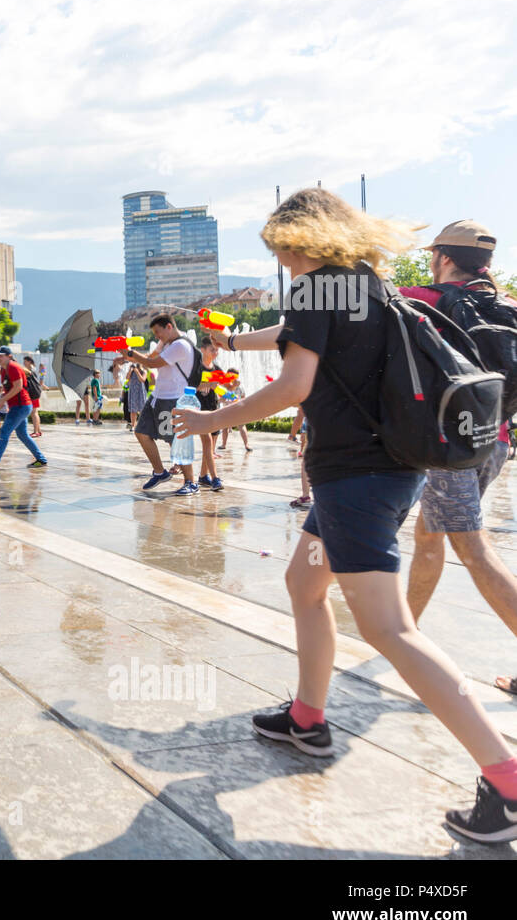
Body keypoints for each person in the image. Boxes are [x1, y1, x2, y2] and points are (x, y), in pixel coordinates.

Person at [173, 187, 517, 843]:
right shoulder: (366, 285)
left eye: (281, 245)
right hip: (380, 471)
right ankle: (308, 718)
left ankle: (507, 779)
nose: (280, 257)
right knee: (304, 585)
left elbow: (294, 386)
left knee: (389, 629)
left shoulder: (316, 289)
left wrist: (211, 418)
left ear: (302, 238)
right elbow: (293, 338)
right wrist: (234, 338)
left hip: (355, 480)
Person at [400, 220, 517, 697]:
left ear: (444, 258)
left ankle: (400, 633)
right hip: (499, 437)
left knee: (472, 547)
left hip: (452, 447)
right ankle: (403, 631)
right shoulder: (509, 303)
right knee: (429, 534)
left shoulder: (423, 297)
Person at [123, 315, 198, 494]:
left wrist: (132, 354)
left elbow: (152, 363)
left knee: (175, 440)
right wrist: (126, 357)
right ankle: (159, 472)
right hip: (156, 397)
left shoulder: (180, 345)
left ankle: (191, 482)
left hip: (172, 399)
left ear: (169, 327)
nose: (157, 336)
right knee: (141, 432)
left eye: (158, 332)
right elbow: (150, 357)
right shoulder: (165, 344)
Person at [0, 347, 48, 471]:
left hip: (21, 406)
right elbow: (9, 387)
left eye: (1, 356)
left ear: (9, 356)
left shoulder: (13, 367)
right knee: (22, 434)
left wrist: (3, 399)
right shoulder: (4, 369)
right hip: (18, 406)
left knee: (4, 432)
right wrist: (2, 399)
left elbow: (18, 387)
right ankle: (41, 459)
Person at [194, 337, 224, 492]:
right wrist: (207, 385)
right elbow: (190, 386)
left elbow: (222, 388)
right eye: (212, 349)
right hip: (199, 410)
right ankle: (215, 478)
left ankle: (202, 476)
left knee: (210, 445)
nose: (216, 352)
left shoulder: (217, 368)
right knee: (208, 444)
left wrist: (232, 386)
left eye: (217, 350)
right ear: (203, 349)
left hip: (213, 409)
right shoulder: (197, 368)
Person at [124, 361, 148, 433]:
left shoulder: (144, 371)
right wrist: (130, 371)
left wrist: (137, 372)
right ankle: (133, 425)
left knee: (142, 409)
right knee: (133, 410)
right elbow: (127, 378)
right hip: (133, 391)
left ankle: (142, 425)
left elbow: (142, 380)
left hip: (140, 391)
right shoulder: (131, 371)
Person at [23, 356, 43, 436]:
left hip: (33, 392)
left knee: (34, 412)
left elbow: (29, 373)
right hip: (34, 392)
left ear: (29, 361)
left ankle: (36, 432)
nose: (24, 363)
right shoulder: (32, 368)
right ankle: (38, 430)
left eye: (25, 361)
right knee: (35, 412)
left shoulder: (31, 369)